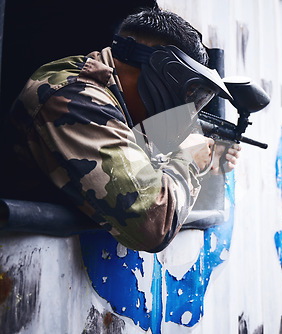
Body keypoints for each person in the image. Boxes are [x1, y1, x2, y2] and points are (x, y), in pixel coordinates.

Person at [0, 7, 241, 252]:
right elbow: (152, 223)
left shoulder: (115, 103)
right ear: (161, 72)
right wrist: (188, 159)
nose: (186, 111)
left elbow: (141, 168)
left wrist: (207, 162)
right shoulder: (76, 98)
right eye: (187, 93)